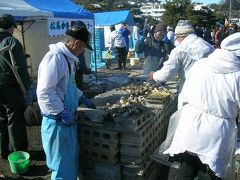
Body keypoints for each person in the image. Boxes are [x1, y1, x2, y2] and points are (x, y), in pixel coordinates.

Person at [164, 32, 240, 179]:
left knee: (187, 167)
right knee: (208, 173)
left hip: (190, 123)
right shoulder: (238, 75)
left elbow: (187, 91)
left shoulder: (202, 64)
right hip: (216, 132)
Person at [37, 20, 96, 179]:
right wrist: (61, 112)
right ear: (77, 43)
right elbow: (45, 92)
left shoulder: (68, 59)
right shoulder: (54, 58)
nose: (83, 51)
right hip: (56, 122)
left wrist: (80, 96)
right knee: (60, 166)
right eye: (83, 47)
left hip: (66, 122)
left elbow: (67, 85)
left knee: (69, 161)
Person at [149, 19, 214, 109]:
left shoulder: (179, 50)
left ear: (179, 35)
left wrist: (154, 75)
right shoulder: (209, 46)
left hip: (190, 94)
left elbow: (166, 75)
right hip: (210, 92)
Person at [0, 14, 32, 160]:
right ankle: (19, 153)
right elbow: (20, 68)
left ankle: (3, 150)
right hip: (9, 87)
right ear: (11, 27)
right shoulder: (11, 41)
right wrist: (27, 88)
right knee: (15, 118)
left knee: (1, 117)